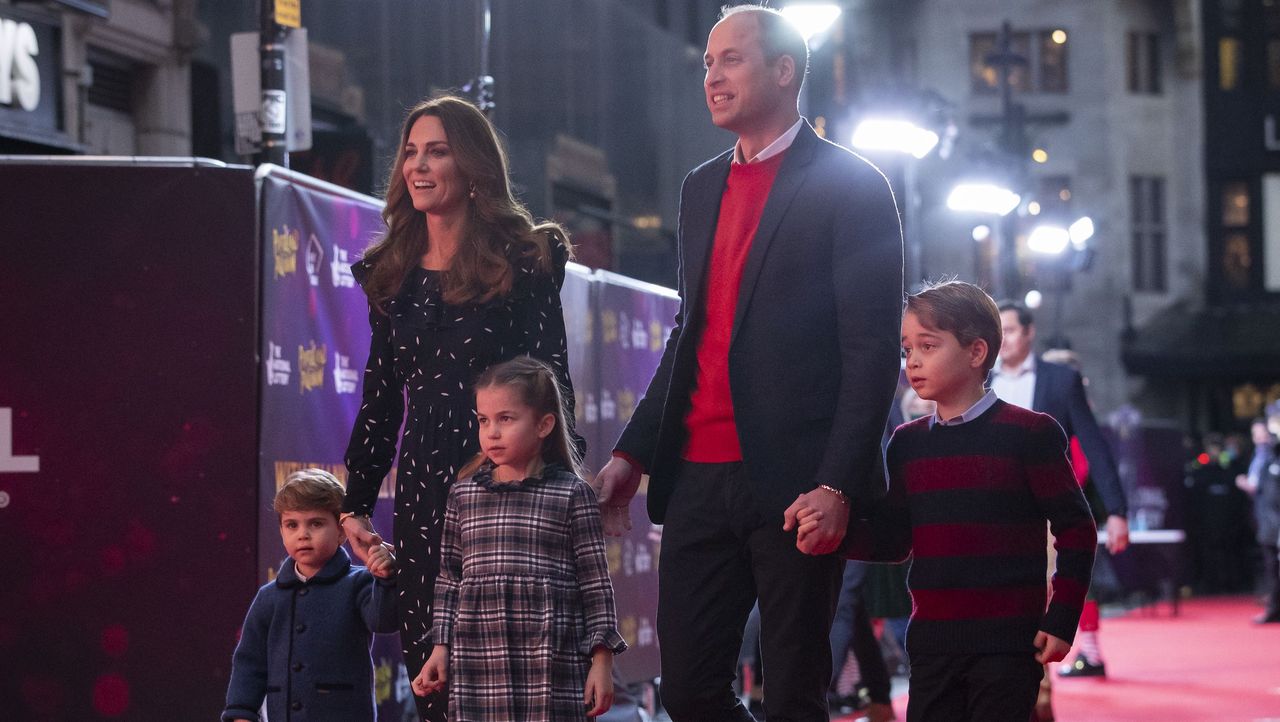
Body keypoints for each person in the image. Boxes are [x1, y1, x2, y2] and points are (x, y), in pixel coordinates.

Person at [589, 5, 903, 719]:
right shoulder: (700, 188)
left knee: (794, 693)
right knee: (693, 692)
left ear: (784, 71)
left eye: (731, 59)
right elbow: (691, 333)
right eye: (707, 61)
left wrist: (838, 483)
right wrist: (633, 453)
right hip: (697, 478)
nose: (712, 75)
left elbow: (871, 350)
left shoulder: (853, 185)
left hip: (797, 484)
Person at [338, 94, 582, 721]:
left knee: (514, 682)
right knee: (436, 681)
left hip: (509, 488)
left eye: (437, 151)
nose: (418, 166)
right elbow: (382, 397)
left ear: (472, 167)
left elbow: (553, 384)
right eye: (411, 152)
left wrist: (560, 490)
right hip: (423, 496)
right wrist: (356, 503)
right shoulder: (390, 274)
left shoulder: (525, 261)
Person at [825, 280, 1096, 722]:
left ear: (976, 353)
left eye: (927, 346)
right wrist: (834, 536)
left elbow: (1077, 529)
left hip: (1007, 644)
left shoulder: (1030, 433)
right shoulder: (906, 443)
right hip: (932, 644)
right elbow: (895, 541)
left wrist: (1062, 616)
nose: (912, 360)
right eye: (907, 348)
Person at [412, 357, 626, 720]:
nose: (491, 432)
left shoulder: (572, 494)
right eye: (483, 420)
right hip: (478, 660)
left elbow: (595, 583)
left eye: (505, 419)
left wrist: (601, 661)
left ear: (544, 425)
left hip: (551, 661)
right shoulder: (464, 495)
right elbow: (449, 579)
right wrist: (440, 646)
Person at [991, 301, 1128, 688]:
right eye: (999, 331)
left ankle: (1037, 692)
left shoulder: (1060, 380)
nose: (1005, 339)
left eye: (1012, 329)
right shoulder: (981, 381)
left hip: (1046, 509)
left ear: (1030, 332)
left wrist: (1116, 509)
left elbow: (1095, 446)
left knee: (1042, 594)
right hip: (989, 509)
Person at [223, 469, 399, 722]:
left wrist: (385, 579)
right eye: (291, 525)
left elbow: (384, 622)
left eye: (315, 523)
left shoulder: (359, 582)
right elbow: (249, 663)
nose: (302, 534)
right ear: (282, 531)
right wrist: (241, 712)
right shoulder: (268, 597)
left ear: (341, 532)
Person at [1237, 417, 1280, 623]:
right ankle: (1274, 606)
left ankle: (1274, 607)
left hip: (1274, 519)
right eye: (1255, 435)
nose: (1259, 439)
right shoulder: (1260, 457)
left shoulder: (1272, 456)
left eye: (1262, 434)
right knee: (1271, 564)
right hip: (1266, 518)